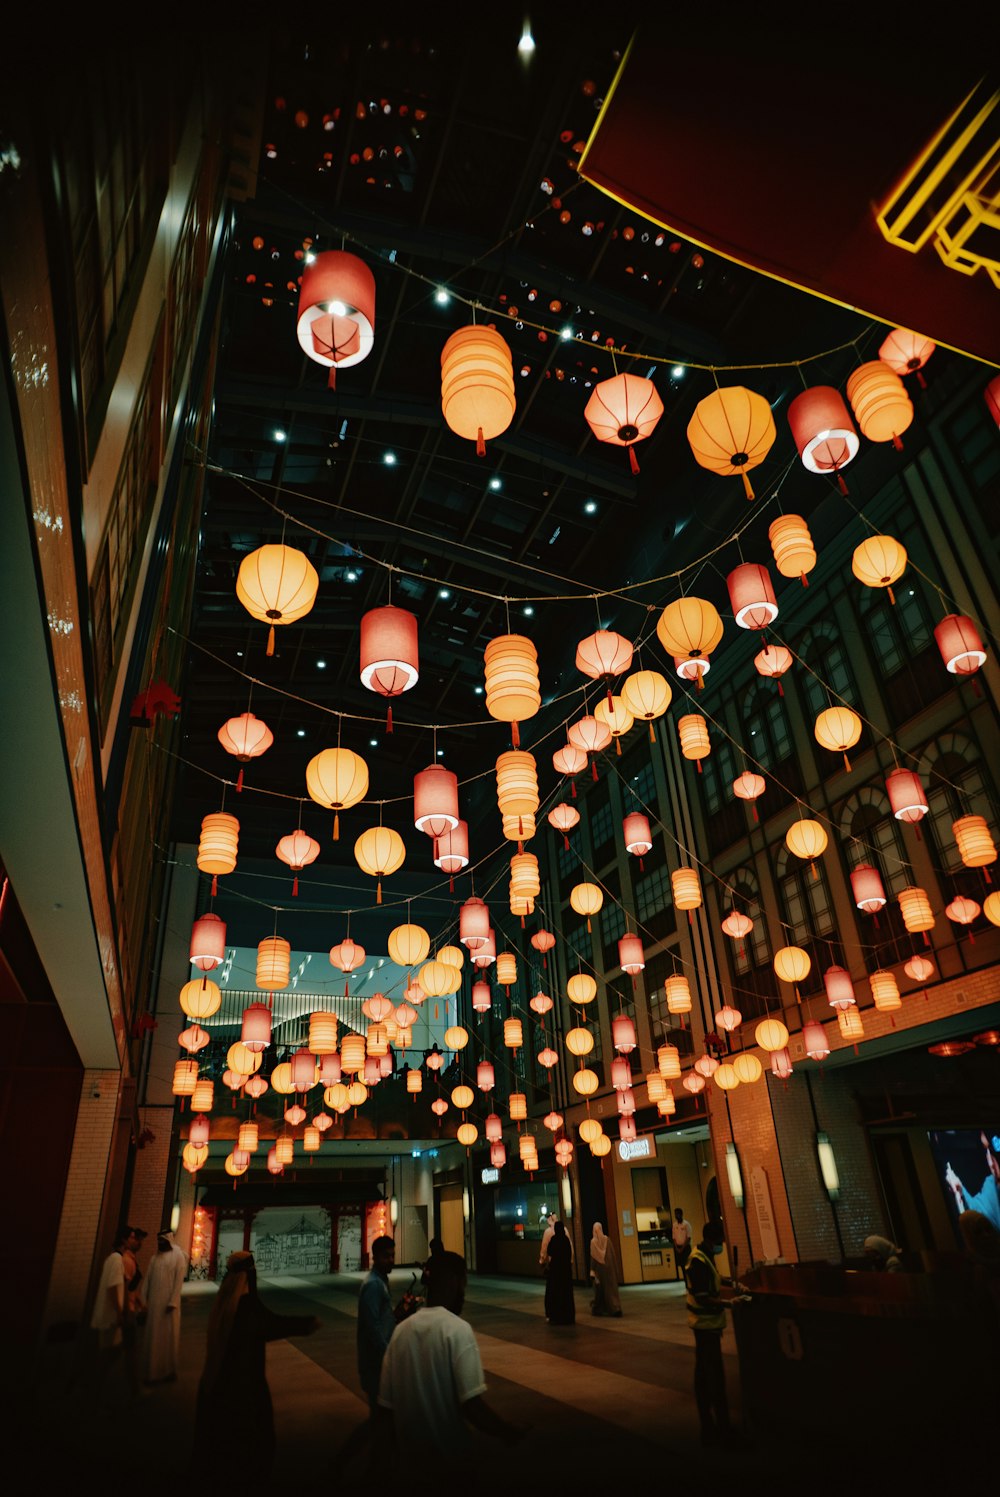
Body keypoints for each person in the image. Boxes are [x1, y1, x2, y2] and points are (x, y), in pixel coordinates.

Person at [378, 1249, 522, 1467]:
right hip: (452, 1462)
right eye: (464, 1285)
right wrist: (507, 1432)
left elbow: (386, 1409)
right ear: (454, 1282)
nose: (463, 1293)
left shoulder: (400, 1332)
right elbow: (472, 1406)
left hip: (410, 1467)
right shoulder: (457, 1330)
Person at [192, 1250, 318, 1473]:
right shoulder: (247, 1307)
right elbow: (271, 1324)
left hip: (219, 1383)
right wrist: (305, 1324)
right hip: (245, 1387)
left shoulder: (224, 1305)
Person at [684, 1220, 747, 1449]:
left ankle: (709, 1426)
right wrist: (728, 1304)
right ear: (713, 1240)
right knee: (713, 1375)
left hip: (706, 1325)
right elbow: (702, 1295)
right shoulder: (698, 1260)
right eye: (720, 1241)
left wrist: (732, 1283)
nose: (721, 1245)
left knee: (704, 1371)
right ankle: (719, 1428)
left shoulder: (703, 1256)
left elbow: (714, 1278)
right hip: (705, 1324)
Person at [142, 1228, 188, 1383]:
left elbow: (178, 1281)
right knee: (153, 1337)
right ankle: (152, 1371)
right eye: (158, 1241)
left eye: (162, 1240)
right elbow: (147, 1279)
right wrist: (143, 1300)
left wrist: (173, 1301)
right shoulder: (155, 1258)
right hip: (154, 1303)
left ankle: (168, 1370)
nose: (160, 1243)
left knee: (169, 1337)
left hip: (169, 1304)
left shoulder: (178, 1257)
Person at [357, 1235, 397, 1409]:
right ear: (375, 1257)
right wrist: (387, 1353)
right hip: (376, 1361)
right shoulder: (374, 1285)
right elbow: (372, 1326)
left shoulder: (379, 1281)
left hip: (377, 1359)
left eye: (392, 1255)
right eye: (386, 1256)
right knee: (381, 1412)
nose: (391, 1260)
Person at [945, 1133, 1000, 1230]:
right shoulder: (990, 1186)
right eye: (986, 1151)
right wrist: (960, 1192)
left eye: (992, 1151)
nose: (990, 1162)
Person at [544, 1219, 575, 1325]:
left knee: (555, 1293)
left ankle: (556, 1315)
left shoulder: (553, 1239)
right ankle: (568, 1315)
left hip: (555, 1271)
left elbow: (549, 1251)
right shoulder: (566, 1240)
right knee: (566, 1293)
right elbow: (569, 1252)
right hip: (565, 1271)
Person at [589, 1222, 622, 1317]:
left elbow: (593, 1258)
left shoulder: (593, 1242)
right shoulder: (607, 1240)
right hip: (610, 1269)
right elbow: (613, 1256)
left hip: (599, 1269)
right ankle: (615, 1307)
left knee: (600, 1290)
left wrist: (592, 1270)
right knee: (611, 1289)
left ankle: (600, 1308)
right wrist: (616, 1269)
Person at [672, 1207, 693, 1276]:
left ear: (681, 1214)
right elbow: (674, 1238)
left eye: (677, 1214)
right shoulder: (674, 1225)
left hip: (686, 1248)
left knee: (688, 1266)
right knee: (681, 1266)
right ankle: (686, 1282)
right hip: (678, 1247)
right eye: (675, 1214)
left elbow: (688, 1238)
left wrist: (682, 1248)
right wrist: (677, 1248)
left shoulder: (686, 1224)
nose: (676, 1216)